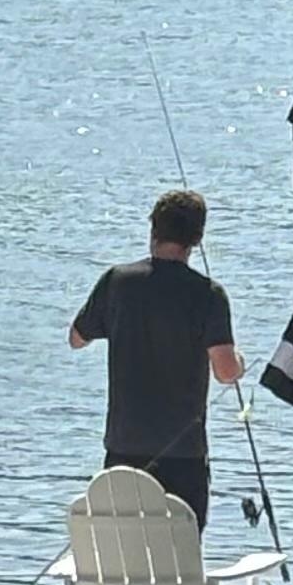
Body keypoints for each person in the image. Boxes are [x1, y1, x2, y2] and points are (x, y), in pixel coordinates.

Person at [69, 189, 242, 527]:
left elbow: (76, 338)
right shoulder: (209, 294)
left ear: (154, 230)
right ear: (197, 239)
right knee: (180, 549)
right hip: (184, 458)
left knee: (123, 546)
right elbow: (226, 372)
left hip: (123, 452)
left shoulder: (117, 282)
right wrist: (241, 363)